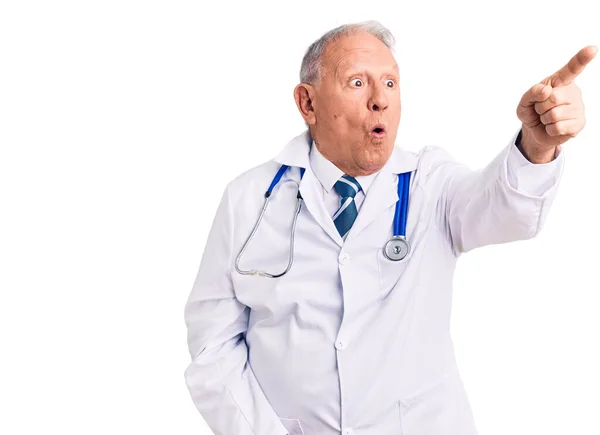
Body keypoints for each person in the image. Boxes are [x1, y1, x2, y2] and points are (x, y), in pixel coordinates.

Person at [183, 20, 596, 435]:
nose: (380, 100)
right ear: (307, 104)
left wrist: (537, 144)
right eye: (358, 82)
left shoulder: (430, 183)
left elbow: (503, 210)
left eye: (391, 84)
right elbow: (213, 344)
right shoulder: (249, 198)